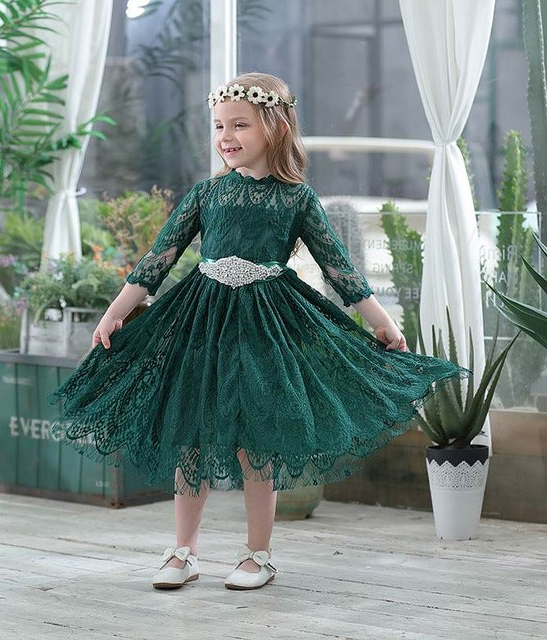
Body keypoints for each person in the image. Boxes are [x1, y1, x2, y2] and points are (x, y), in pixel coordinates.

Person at [49, 72, 470, 592]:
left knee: (258, 443)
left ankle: (258, 554)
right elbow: (158, 258)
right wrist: (115, 312)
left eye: (239, 125)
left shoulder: (296, 199)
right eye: (219, 126)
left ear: (275, 127)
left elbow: (340, 269)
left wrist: (382, 322)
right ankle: (183, 551)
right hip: (201, 322)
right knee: (192, 437)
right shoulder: (207, 193)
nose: (226, 136)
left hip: (266, 326)